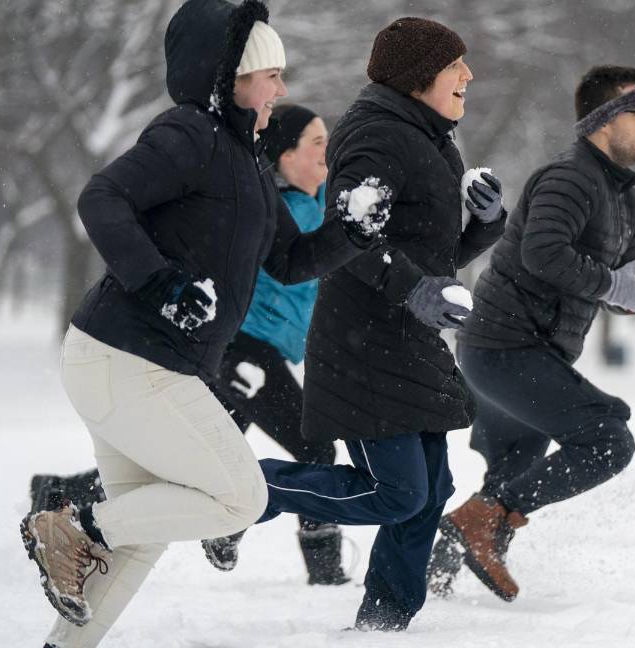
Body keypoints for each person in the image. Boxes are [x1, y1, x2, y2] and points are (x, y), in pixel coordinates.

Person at [18, 2, 384, 646]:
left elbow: (291, 259)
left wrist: (350, 232)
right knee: (241, 497)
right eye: (272, 76)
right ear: (234, 79)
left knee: (144, 531)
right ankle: (73, 523)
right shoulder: (189, 134)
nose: (282, 89)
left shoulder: (248, 160)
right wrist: (161, 283)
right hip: (129, 359)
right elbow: (102, 197)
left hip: (141, 365)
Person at [250, 17, 505, 631]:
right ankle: (242, 488)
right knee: (396, 492)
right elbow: (348, 241)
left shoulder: (431, 137)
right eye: (455, 65)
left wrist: (485, 225)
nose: (468, 75)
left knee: (430, 490)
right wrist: (413, 289)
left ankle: (385, 622)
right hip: (363, 344)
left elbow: (432, 253)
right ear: (419, 76)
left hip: (408, 340)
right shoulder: (375, 136)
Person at [27, 103, 351, 587]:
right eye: (317, 143)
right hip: (244, 351)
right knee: (314, 448)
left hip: (260, 352)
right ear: (285, 156)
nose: (328, 151)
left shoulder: (317, 204)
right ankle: (319, 569)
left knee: (184, 465)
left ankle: (61, 495)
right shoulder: (264, 211)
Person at [426, 66, 635, 602]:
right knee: (608, 440)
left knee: (515, 465)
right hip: (505, 347)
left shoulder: (623, 197)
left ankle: (431, 575)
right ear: (603, 120)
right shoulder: (570, 178)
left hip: (522, 351)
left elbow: (607, 278)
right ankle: (484, 523)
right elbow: (544, 254)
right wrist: (614, 285)